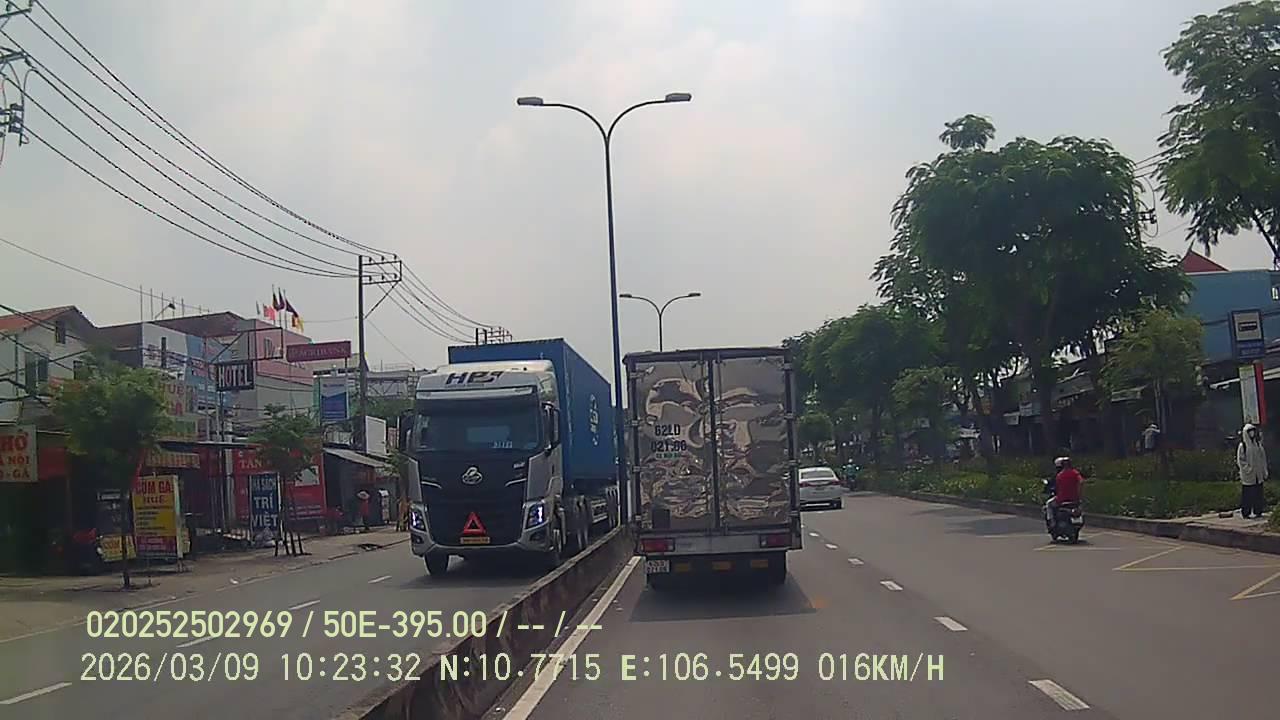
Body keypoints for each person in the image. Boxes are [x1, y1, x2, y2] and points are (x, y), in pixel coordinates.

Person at [1237, 423, 1268, 519]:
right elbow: (1241, 460)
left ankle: (1258, 511)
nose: (1252, 433)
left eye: (1253, 431)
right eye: (1250, 431)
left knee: (1258, 493)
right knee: (1247, 494)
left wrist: (1264, 471)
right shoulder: (1243, 446)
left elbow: (1263, 458)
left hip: (1258, 474)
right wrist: (1248, 469)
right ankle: (1246, 512)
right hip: (1248, 475)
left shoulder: (1257, 444)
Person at [1045, 456, 1084, 529]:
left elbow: (1056, 487)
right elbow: (1081, 482)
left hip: (1061, 499)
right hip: (1074, 499)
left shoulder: (1060, 475)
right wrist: (1079, 494)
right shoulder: (1075, 473)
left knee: (1049, 504)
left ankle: (1052, 522)